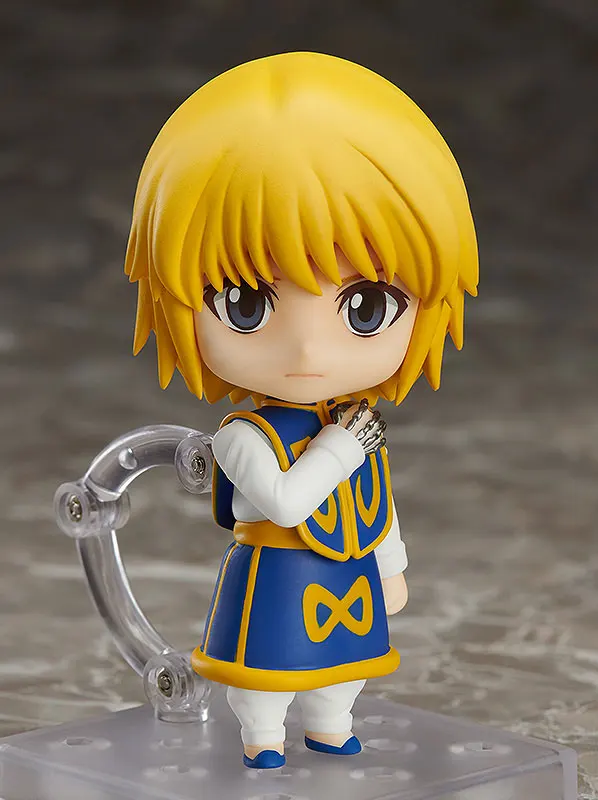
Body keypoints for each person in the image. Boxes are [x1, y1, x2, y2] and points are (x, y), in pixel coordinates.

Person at [124, 51, 478, 768]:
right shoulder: (244, 437)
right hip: (276, 579)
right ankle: (261, 739)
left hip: (347, 575)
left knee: (344, 673)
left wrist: (391, 562)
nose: (309, 348)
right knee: (265, 682)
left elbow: (375, 498)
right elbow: (286, 501)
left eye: (365, 306)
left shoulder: (352, 426)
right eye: (247, 303)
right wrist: (342, 449)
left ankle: (332, 723)